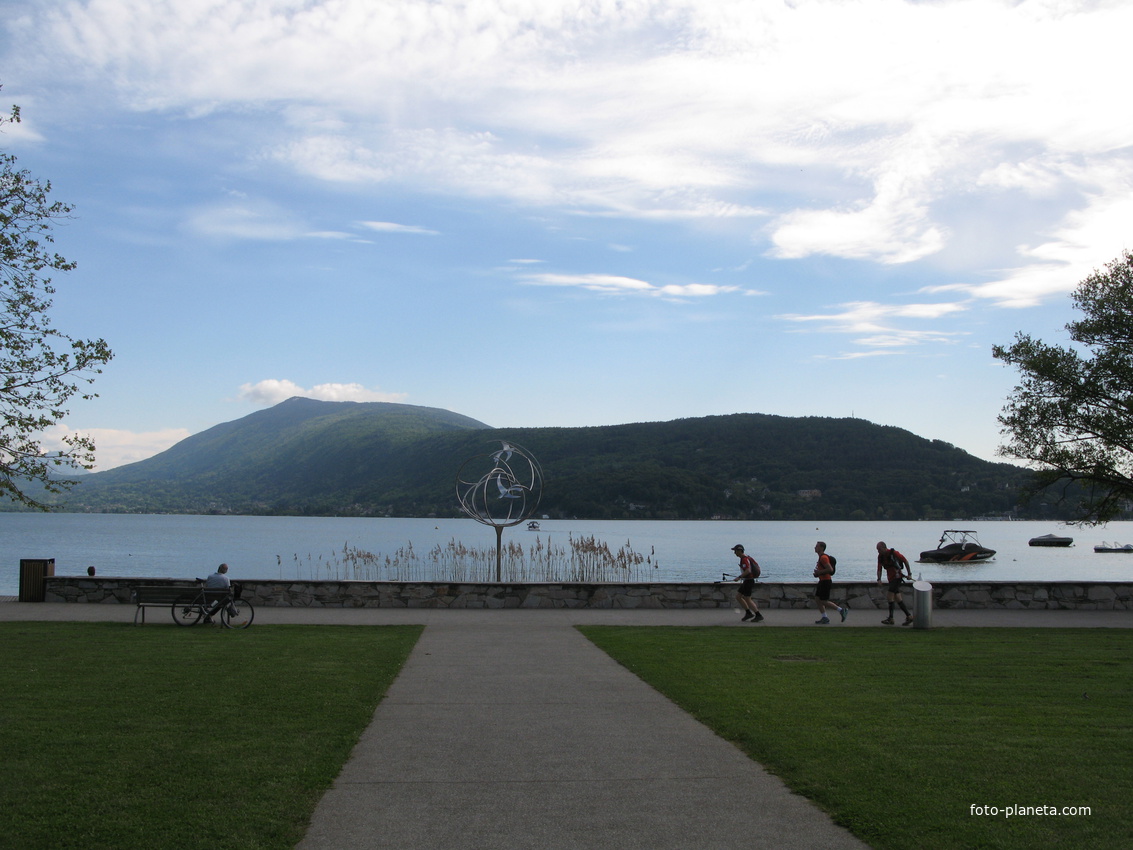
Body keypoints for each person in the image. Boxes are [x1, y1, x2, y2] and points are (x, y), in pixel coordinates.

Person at [876, 541, 914, 625]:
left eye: (879, 549)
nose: (878, 551)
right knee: (898, 598)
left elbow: (905, 561)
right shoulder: (880, 556)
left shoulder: (894, 553)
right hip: (891, 578)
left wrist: (909, 574)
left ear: (884, 547)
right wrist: (879, 579)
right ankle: (909, 616)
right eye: (877, 550)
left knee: (890, 596)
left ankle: (891, 618)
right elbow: (879, 568)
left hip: (897, 577)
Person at [813, 541, 846, 624]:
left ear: (821, 548)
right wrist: (818, 574)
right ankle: (824, 617)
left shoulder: (823, 558)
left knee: (823, 600)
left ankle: (841, 610)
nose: (815, 547)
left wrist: (819, 573)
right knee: (817, 599)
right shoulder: (821, 557)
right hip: (822, 581)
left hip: (826, 581)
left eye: (817, 546)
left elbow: (830, 569)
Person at [731, 544, 764, 623]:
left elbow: (748, 570)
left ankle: (758, 615)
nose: (734, 553)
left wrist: (739, 577)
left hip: (749, 581)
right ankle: (748, 613)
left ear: (739, 551)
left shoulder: (744, 559)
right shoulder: (745, 558)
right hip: (747, 580)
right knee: (738, 596)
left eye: (735, 551)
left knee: (747, 599)